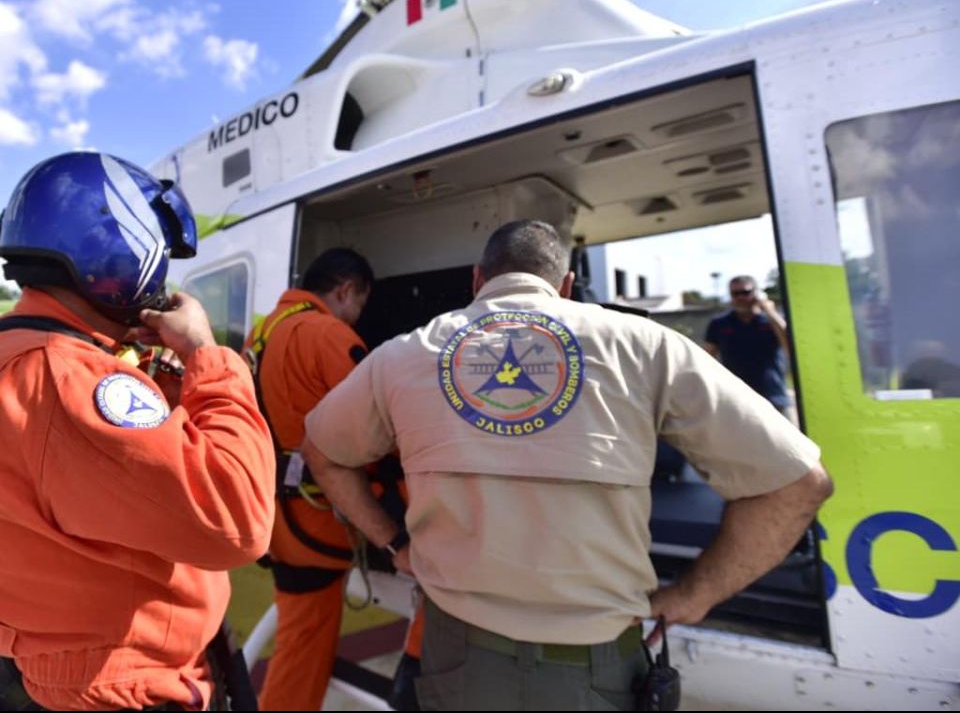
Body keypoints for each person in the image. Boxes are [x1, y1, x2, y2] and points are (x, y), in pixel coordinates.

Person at [300, 220, 833, 711]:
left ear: (477, 279)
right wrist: (696, 594)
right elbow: (799, 484)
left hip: (455, 656)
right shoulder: (646, 345)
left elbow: (322, 454)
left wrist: (396, 545)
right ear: (568, 284)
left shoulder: (402, 354)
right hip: (595, 666)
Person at [0, 152, 276, 711]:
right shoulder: (66, 376)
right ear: (124, 248)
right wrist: (209, 356)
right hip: (118, 689)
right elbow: (237, 519)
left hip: (24, 674)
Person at [244, 248, 395, 711]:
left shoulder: (262, 332)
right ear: (345, 290)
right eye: (359, 305)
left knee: (298, 634)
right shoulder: (329, 336)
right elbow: (377, 429)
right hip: (319, 520)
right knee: (304, 647)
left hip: (273, 514)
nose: (356, 317)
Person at [704, 275, 793, 416]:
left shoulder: (771, 322)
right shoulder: (719, 324)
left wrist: (770, 311)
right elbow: (706, 358)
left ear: (756, 294)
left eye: (745, 293)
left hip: (774, 399)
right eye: (735, 294)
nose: (740, 297)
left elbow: (790, 348)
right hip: (737, 401)